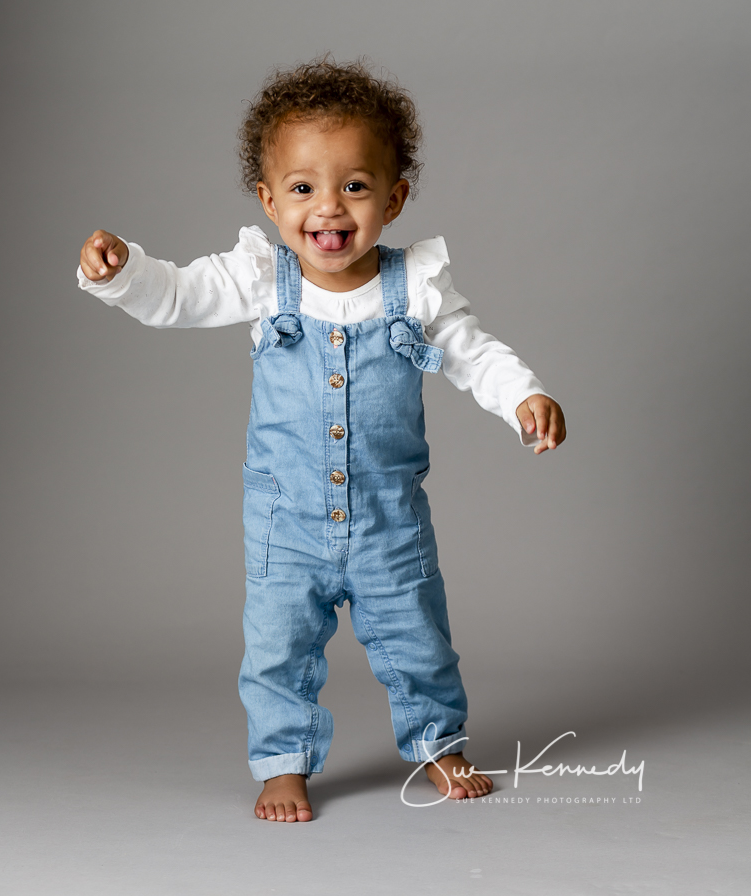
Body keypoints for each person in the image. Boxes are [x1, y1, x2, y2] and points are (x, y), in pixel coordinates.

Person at [77, 57, 566, 823]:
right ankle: (282, 763)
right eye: (302, 189)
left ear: (395, 197)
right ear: (270, 203)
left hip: (388, 522)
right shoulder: (262, 279)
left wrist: (525, 396)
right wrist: (121, 273)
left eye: (356, 187)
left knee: (417, 639)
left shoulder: (417, 287)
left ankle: (438, 743)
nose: (328, 209)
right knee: (277, 651)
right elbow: (176, 295)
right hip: (284, 523)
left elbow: (474, 352)